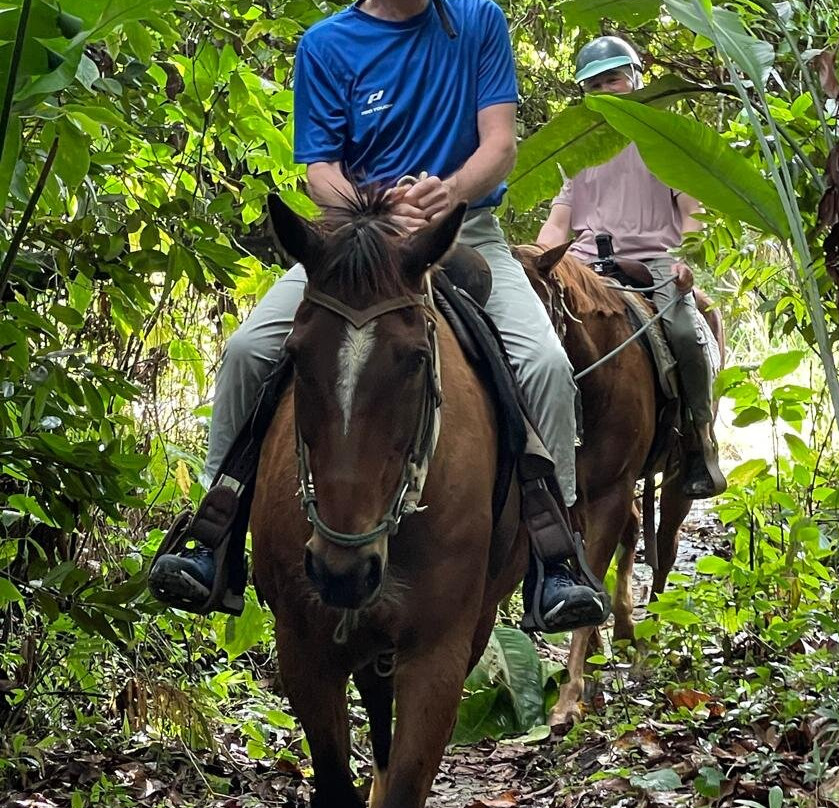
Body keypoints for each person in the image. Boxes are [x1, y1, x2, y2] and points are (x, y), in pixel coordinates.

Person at [148, 0, 609, 631]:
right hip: (356, 242)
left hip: (466, 231)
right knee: (247, 351)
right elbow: (320, 172)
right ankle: (214, 534)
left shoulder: (478, 20)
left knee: (546, 364)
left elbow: (500, 144)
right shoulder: (326, 44)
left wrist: (449, 192)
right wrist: (374, 205)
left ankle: (554, 556)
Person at [537, 35, 726, 499]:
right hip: (587, 265)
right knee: (537, 334)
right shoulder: (580, 152)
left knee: (685, 331)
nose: (606, 89)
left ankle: (699, 438)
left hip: (653, 261)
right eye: (594, 84)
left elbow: (692, 209)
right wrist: (539, 259)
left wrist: (685, 259)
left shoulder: (663, 139)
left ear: (637, 79)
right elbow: (558, 222)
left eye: (614, 79)